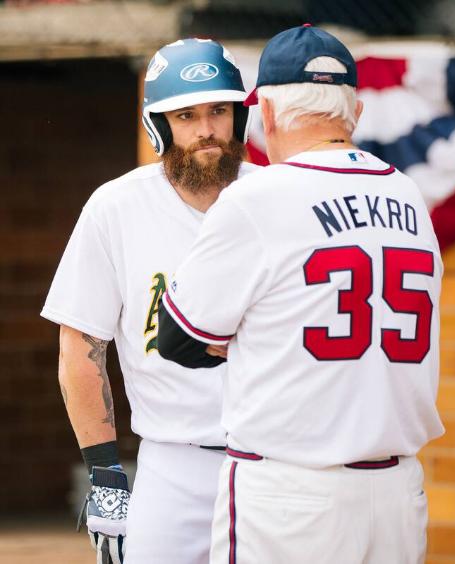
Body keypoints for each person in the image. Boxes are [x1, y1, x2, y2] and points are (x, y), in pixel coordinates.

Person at [158, 25, 445, 564]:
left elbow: (176, 339)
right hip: (396, 494)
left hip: (289, 496)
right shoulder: (409, 195)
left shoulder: (257, 198)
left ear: (265, 112)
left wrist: (253, 338)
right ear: (355, 111)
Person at [41, 38, 258, 564]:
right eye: (185, 115)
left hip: (269, 460)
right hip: (172, 462)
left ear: (239, 118)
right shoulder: (115, 207)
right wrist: (105, 471)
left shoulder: (271, 196)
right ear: (157, 126)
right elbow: (81, 344)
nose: (206, 129)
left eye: (218, 110)